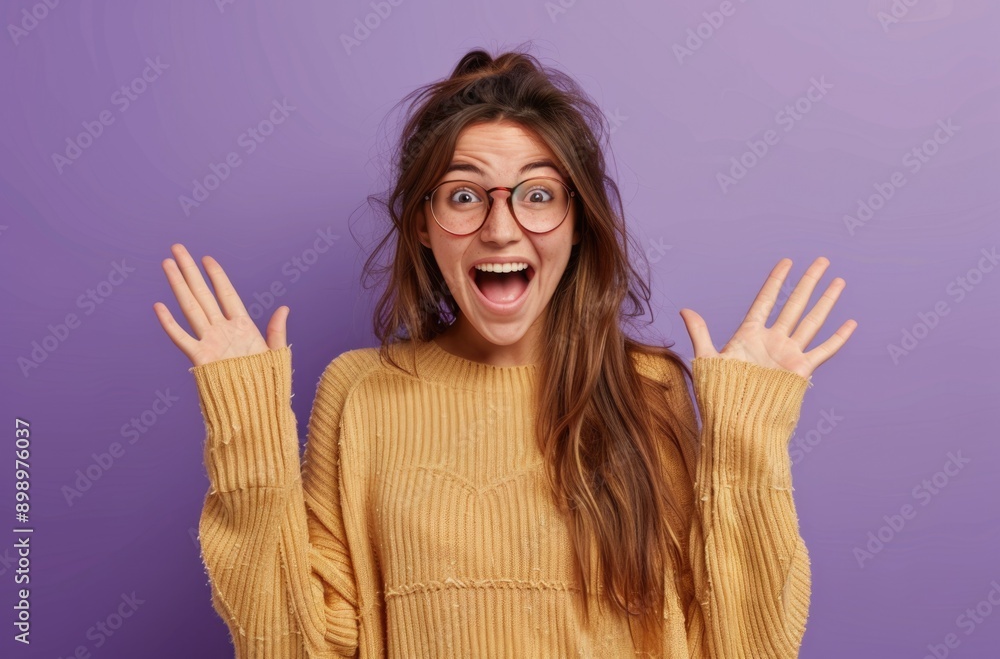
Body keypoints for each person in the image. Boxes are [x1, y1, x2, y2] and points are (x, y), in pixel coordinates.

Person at [153, 47, 856, 658]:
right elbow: (293, 647)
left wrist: (749, 439)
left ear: (577, 221)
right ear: (424, 224)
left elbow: (745, 646)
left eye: (538, 195)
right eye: (464, 195)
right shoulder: (362, 391)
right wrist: (247, 432)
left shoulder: (646, 390)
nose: (500, 228)